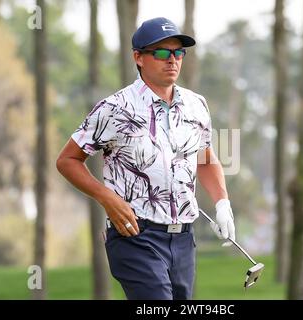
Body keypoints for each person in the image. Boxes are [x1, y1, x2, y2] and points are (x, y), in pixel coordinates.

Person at [56, 17, 235, 300]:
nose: (172, 60)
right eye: (162, 53)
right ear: (138, 57)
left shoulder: (197, 105)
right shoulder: (114, 108)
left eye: (178, 53)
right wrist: (108, 199)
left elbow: (205, 158)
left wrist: (222, 203)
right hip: (135, 236)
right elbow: (67, 160)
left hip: (183, 239)